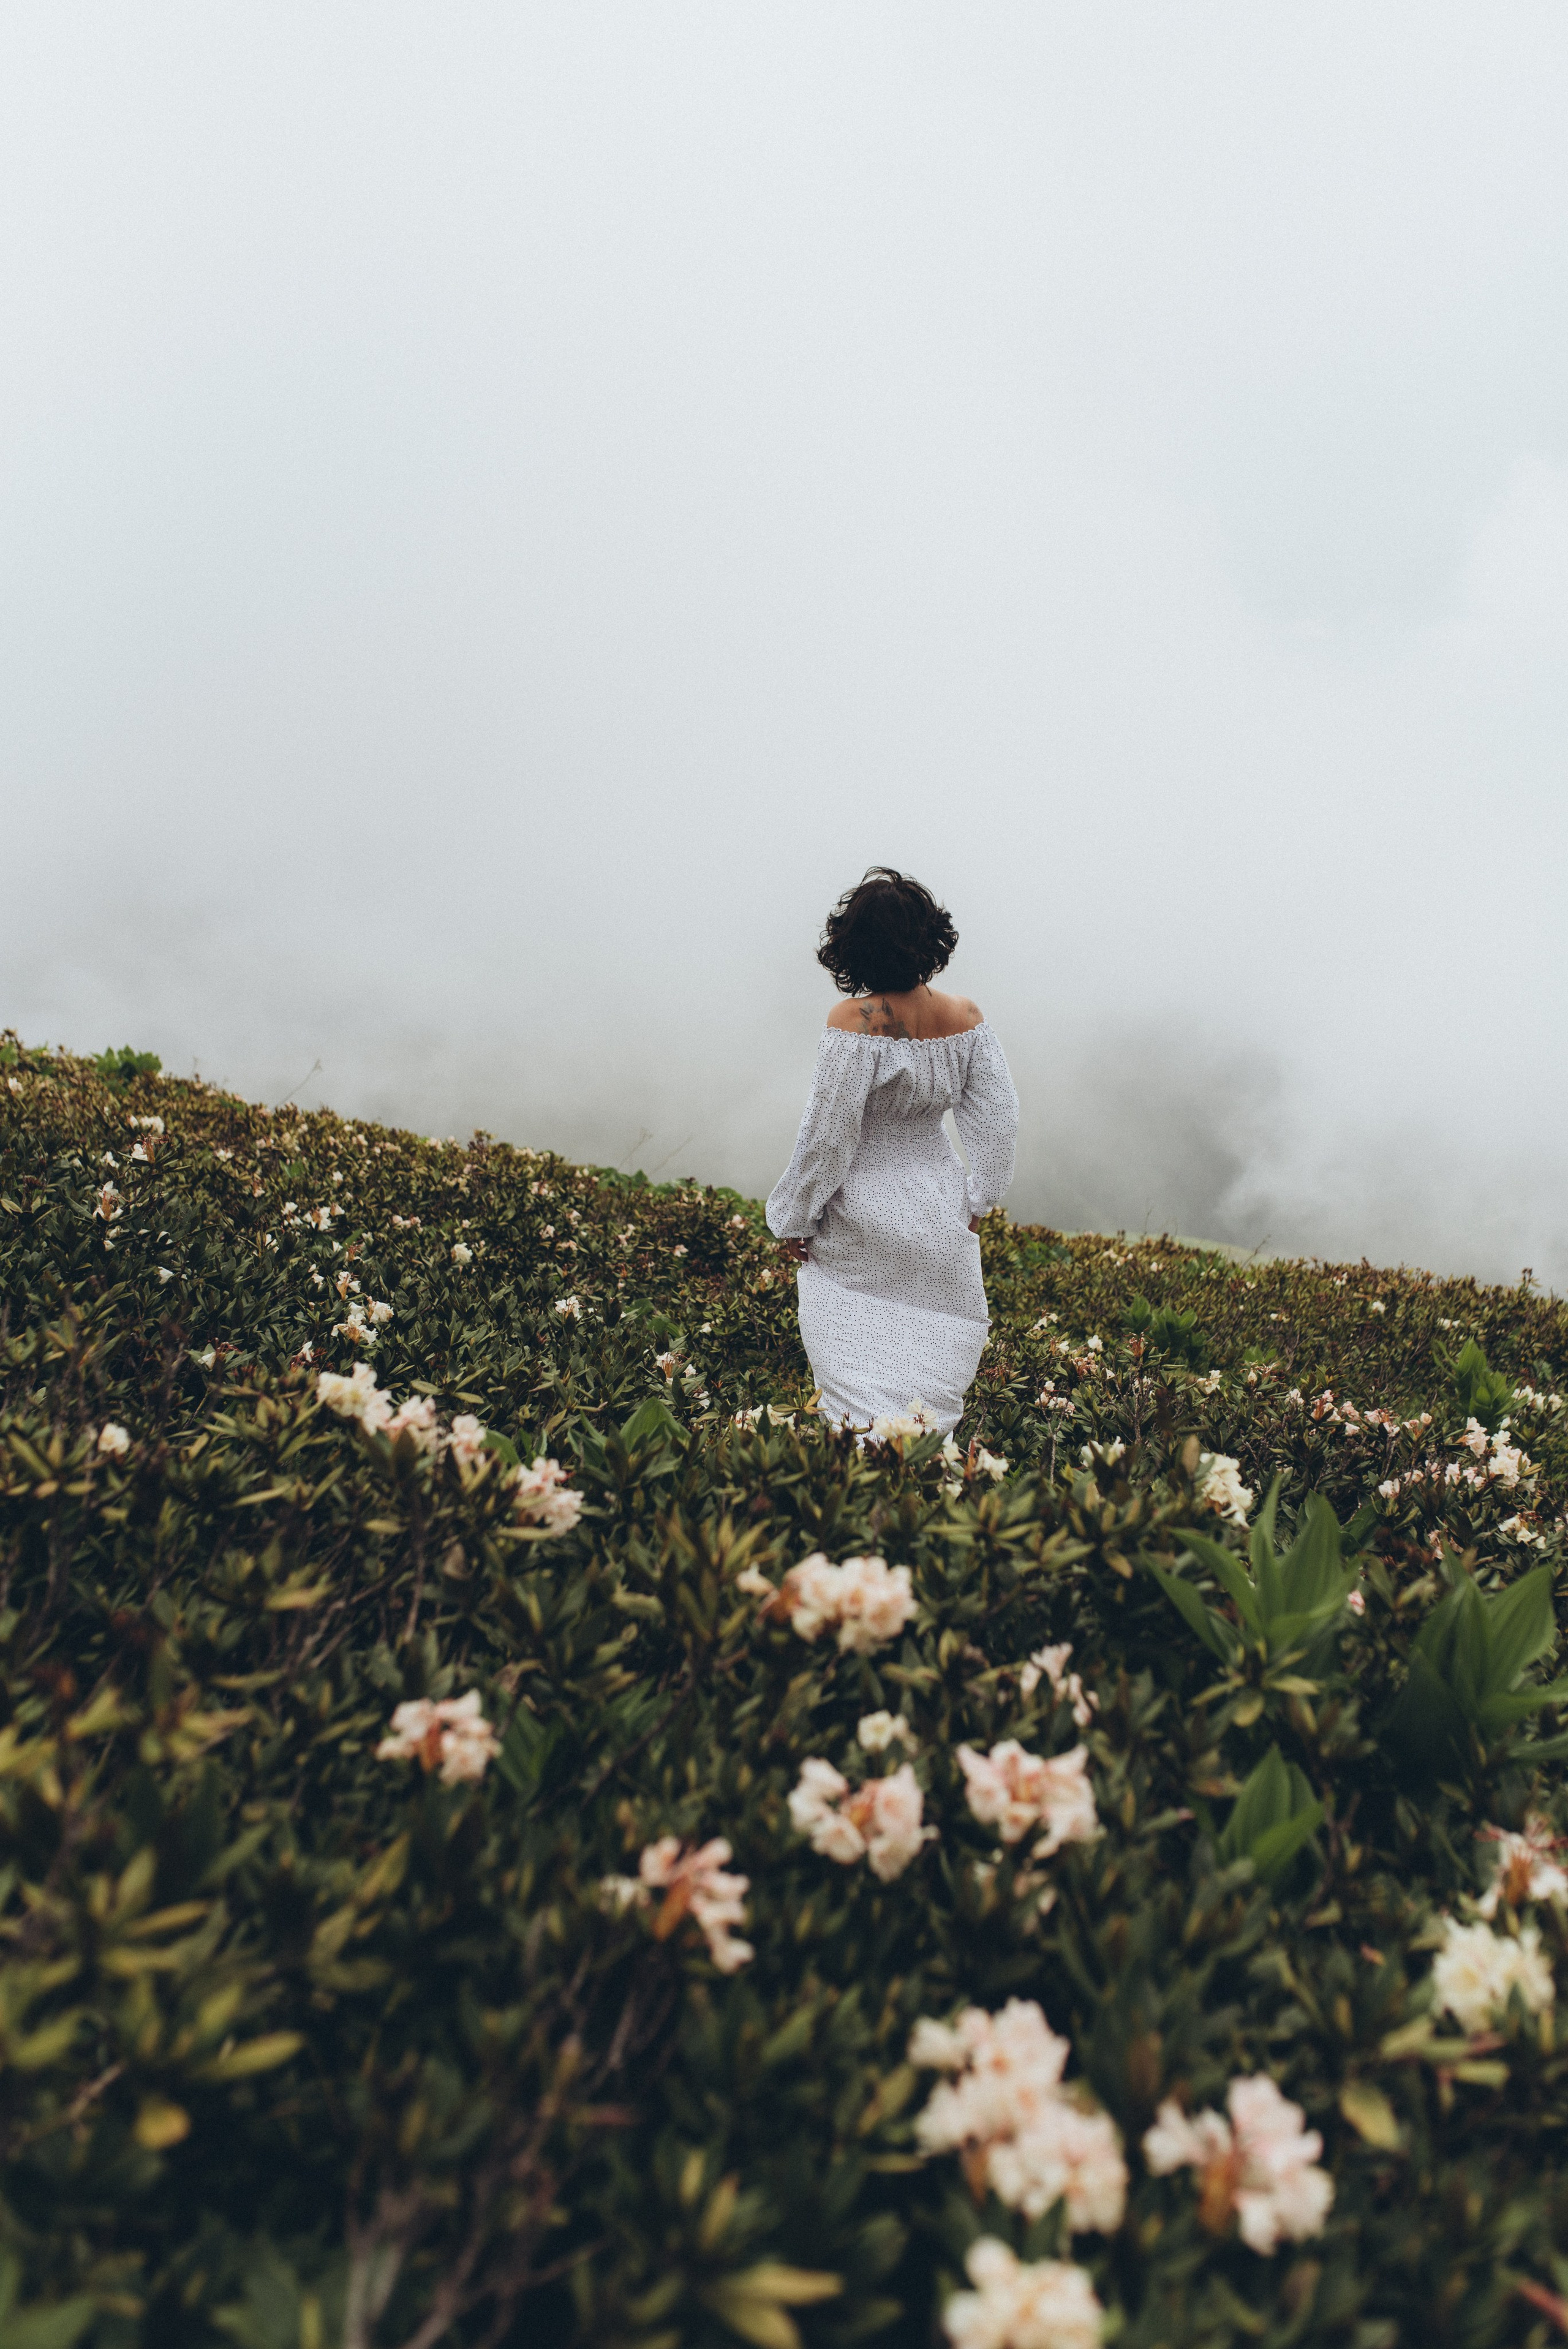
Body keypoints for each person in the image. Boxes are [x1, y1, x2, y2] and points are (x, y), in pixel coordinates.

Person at [766, 868, 1019, 1436]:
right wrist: (981, 1197)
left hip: (861, 1213)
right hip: (939, 1205)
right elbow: (1000, 1122)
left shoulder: (854, 1022)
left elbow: (828, 1137)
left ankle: (863, 1483)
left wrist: (794, 1216)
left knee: (856, 1374)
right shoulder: (967, 1018)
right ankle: (926, 1471)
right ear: (930, 938)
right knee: (931, 1358)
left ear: (852, 944)